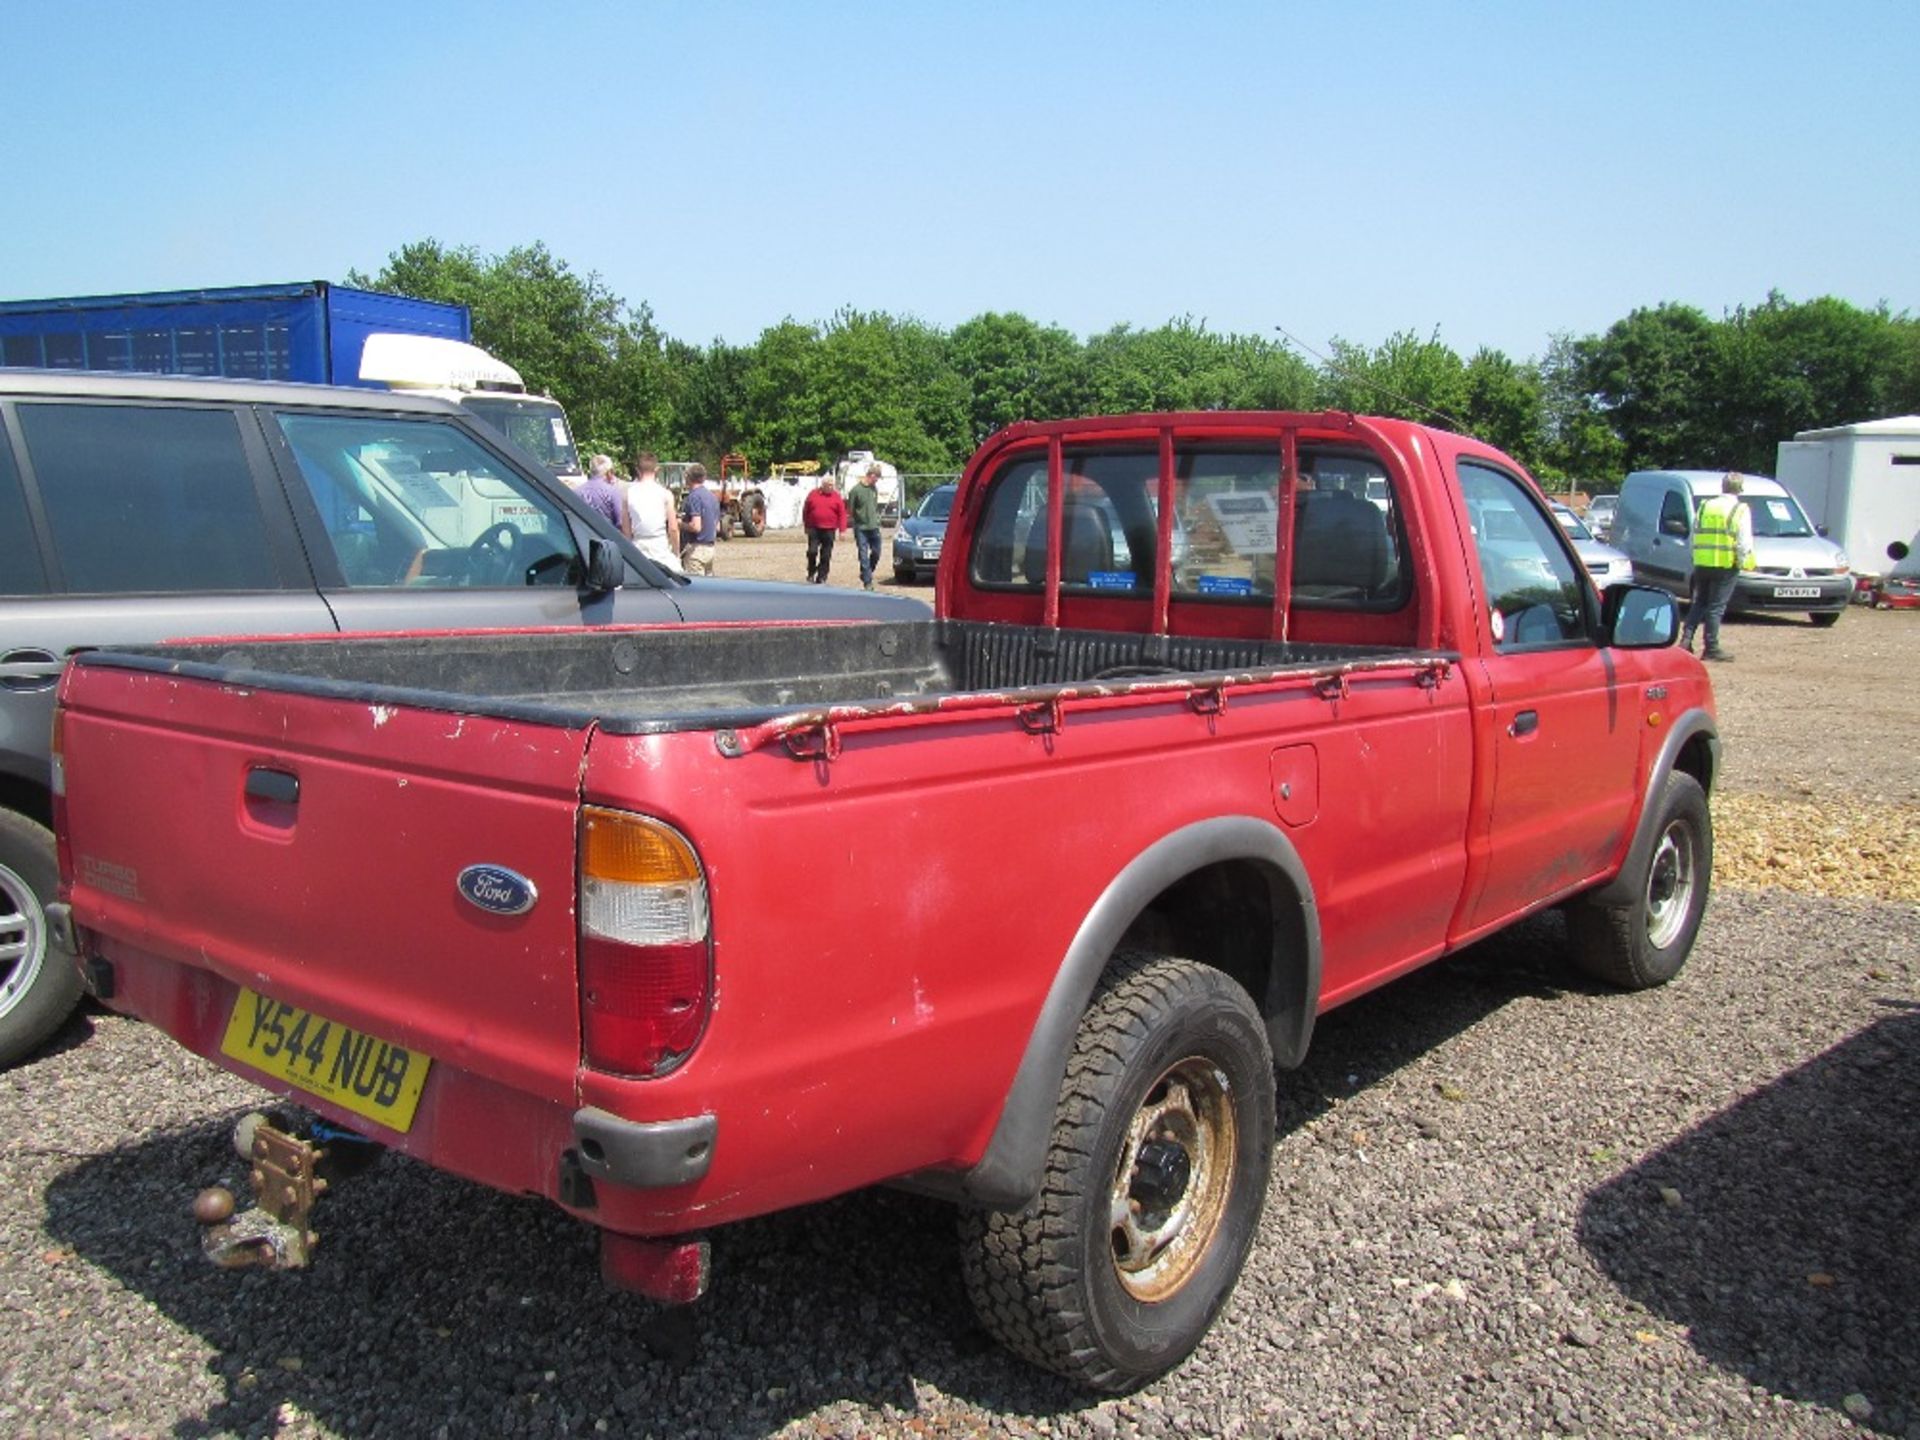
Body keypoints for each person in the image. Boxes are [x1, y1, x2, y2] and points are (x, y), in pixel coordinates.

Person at [1680, 472, 1755, 662]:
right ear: (1740, 489)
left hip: (1702, 562)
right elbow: (1743, 542)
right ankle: (1711, 647)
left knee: (1700, 603)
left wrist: (1695, 557)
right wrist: (1741, 561)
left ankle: (1685, 640)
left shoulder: (1705, 506)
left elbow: (1694, 534)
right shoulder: (1740, 509)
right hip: (1725, 563)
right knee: (1716, 607)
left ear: (1722, 487)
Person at [625, 451, 681, 571]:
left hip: (638, 544)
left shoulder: (628, 494)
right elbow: (673, 528)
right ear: (657, 469)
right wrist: (676, 553)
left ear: (637, 470)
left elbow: (626, 531)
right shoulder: (665, 494)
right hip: (659, 544)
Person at [801, 478, 848, 584]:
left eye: (832, 485)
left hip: (829, 529)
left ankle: (822, 576)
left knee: (826, 554)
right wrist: (806, 525)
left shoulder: (836, 497)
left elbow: (842, 514)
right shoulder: (813, 494)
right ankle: (811, 572)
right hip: (814, 528)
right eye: (829, 485)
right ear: (823, 485)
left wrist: (842, 530)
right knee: (812, 551)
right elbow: (806, 510)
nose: (831, 487)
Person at [847, 463, 884, 591]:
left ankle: (866, 573)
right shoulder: (856, 490)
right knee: (863, 555)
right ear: (871, 475)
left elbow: (874, 505)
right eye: (876, 477)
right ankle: (868, 582)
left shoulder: (874, 489)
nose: (877, 480)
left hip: (874, 526)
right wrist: (858, 519)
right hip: (861, 527)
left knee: (877, 552)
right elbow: (851, 509)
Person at [679, 463, 720, 575]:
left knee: (696, 589)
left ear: (688, 477)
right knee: (709, 588)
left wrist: (679, 524)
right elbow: (717, 527)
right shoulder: (712, 497)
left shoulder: (693, 497)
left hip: (697, 550)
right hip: (710, 548)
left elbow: (696, 526)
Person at [578, 454, 626, 532]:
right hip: (608, 538)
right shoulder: (612, 492)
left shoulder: (577, 491)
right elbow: (621, 522)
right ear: (609, 472)